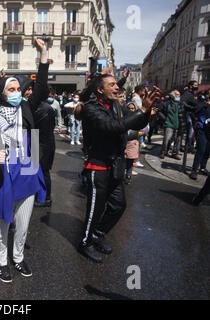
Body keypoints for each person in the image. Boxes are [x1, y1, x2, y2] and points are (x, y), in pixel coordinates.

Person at [0, 38, 49, 283]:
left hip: (28, 168)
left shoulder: (26, 108)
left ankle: (17, 257)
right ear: (1, 92)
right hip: (5, 172)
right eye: (11, 89)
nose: (17, 93)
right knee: (2, 220)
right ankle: (1, 261)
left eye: (18, 89)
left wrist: (44, 54)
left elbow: (40, 87)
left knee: (23, 222)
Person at [78, 73, 159, 264]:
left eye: (117, 84)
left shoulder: (116, 105)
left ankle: (96, 235)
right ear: (100, 89)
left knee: (118, 205)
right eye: (112, 85)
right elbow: (111, 127)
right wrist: (142, 111)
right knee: (95, 210)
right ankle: (85, 242)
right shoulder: (91, 109)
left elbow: (133, 122)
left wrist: (145, 112)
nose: (117, 87)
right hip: (97, 166)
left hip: (115, 165)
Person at [189, 94, 210, 180]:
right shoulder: (204, 105)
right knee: (201, 150)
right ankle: (194, 171)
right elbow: (195, 110)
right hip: (202, 130)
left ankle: (202, 167)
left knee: (207, 151)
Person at [159, 90, 183, 160]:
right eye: (177, 94)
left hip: (178, 124)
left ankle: (175, 153)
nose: (179, 96)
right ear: (173, 95)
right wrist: (165, 119)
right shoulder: (166, 103)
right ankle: (163, 152)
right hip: (169, 124)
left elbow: (182, 113)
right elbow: (159, 111)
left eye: (179, 95)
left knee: (177, 140)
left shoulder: (180, 104)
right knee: (166, 139)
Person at [181, 81, 199, 154]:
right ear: (191, 86)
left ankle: (189, 146)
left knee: (192, 132)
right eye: (195, 85)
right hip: (188, 114)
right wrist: (191, 107)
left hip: (193, 115)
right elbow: (182, 102)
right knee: (190, 131)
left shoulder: (193, 94)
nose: (197, 86)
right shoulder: (187, 94)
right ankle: (189, 147)